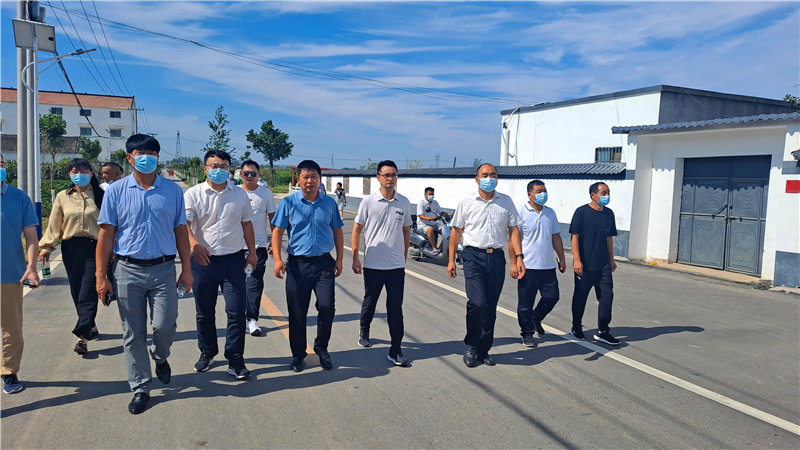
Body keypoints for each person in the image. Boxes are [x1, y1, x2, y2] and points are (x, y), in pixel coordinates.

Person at [96, 134, 193, 414]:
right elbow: (106, 235)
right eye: (141, 154)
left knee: (165, 325)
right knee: (133, 332)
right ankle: (140, 387)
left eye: (152, 154)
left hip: (164, 269)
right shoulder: (115, 191)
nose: (147, 159)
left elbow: (181, 232)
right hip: (127, 270)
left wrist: (187, 270)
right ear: (130, 158)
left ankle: (160, 356)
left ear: (158, 158)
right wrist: (101, 276)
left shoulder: (173, 191)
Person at [185, 150, 258, 379]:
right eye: (213, 166)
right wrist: (194, 245)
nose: (219, 170)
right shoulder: (193, 194)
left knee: (236, 311)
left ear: (230, 169)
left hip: (233, 262)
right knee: (204, 312)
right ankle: (207, 352)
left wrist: (252, 253)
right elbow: (184, 225)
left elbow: (247, 224)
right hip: (203, 261)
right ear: (205, 169)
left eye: (223, 166)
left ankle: (235, 359)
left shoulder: (239, 194)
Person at [447, 163, 525, 368]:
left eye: (493, 174)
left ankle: (484, 349)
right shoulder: (466, 202)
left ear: (497, 178)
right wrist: (451, 259)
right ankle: (472, 345)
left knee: (490, 306)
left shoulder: (505, 202)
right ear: (477, 179)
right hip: (473, 257)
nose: (489, 178)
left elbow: (513, 230)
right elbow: (456, 231)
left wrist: (518, 258)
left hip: (496, 258)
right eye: (485, 175)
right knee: (477, 303)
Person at [272, 160, 344, 373]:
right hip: (298, 265)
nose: (310, 181)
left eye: (314, 177)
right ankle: (298, 354)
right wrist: (277, 260)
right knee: (297, 312)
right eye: (305, 177)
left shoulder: (329, 203)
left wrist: (340, 259)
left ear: (320, 179)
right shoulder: (288, 203)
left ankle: (322, 348)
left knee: (327, 307)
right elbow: (277, 232)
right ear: (299, 179)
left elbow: (337, 231)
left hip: (324, 264)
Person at [39, 158, 105, 355]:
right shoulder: (62, 196)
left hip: (95, 248)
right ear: (69, 174)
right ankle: (90, 325)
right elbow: (55, 223)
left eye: (84, 170)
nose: (79, 174)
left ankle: (82, 338)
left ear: (91, 174)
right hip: (71, 249)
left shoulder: (102, 195)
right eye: (75, 171)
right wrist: (47, 247)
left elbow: (110, 225)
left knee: (88, 291)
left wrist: (112, 250)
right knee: (76, 291)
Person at [351, 161, 411, 366]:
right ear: (378, 177)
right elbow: (357, 229)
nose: (390, 178)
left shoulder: (404, 202)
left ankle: (396, 350)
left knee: (395, 308)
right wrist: (355, 257)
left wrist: (403, 255)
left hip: (396, 266)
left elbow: (406, 230)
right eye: (386, 175)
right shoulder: (368, 201)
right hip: (373, 264)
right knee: (370, 300)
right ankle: (364, 329)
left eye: (393, 175)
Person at [1, 155, 40, 394]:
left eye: (1, 164)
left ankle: (8, 372)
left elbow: (31, 236)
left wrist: (31, 267)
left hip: (9, 274)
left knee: (11, 328)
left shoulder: (19, 198)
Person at [511, 180, 566, 348]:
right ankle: (527, 333)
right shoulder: (520, 212)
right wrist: (514, 262)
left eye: (545, 190)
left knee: (552, 297)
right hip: (527, 266)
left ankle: (536, 318)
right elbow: (513, 239)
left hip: (547, 266)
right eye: (539, 191)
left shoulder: (550, 213)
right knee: (525, 303)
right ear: (530, 194)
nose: (543, 194)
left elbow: (555, 236)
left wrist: (562, 258)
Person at [569, 182, 619, 346]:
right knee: (580, 297)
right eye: (604, 193)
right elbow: (574, 237)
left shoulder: (609, 214)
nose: (607, 196)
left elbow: (609, 238)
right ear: (593, 195)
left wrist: (611, 259)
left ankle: (603, 330)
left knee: (607, 296)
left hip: (603, 265)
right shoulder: (581, 212)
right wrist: (577, 260)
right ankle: (576, 327)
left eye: (608, 192)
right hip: (585, 264)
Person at [239, 160, 277, 336]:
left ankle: (252, 319)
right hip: (235, 248)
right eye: (246, 173)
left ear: (258, 175)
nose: (249, 176)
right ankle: (237, 318)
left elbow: (273, 219)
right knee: (236, 286)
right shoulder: (235, 192)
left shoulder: (265, 194)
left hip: (258, 246)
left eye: (253, 173)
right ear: (240, 174)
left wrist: (274, 241)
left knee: (255, 284)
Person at [416, 187, 446, 255]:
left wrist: (452, 214)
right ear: (425, 195)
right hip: (423, 224)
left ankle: (440, 249)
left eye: (432, 194)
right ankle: (434, 247)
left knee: (447, 230)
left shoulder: (435, 202)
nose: (431, 196)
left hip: (434, 223)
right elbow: (420, 216)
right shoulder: (421, 203)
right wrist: (429, 218)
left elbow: (441, 213)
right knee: (430, 229)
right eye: (430, 194)